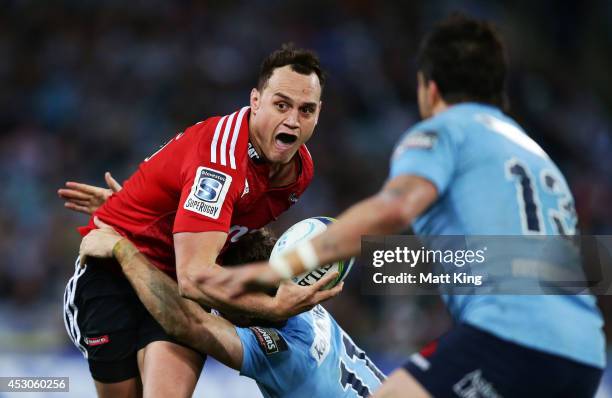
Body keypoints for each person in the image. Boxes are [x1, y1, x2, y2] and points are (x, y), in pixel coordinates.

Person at [209, 15, 606, 398]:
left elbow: (394, 209)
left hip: (511, 334)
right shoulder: (537, 157)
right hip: (585, 354)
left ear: (429, 89)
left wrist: (281, 267)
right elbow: (577, 263)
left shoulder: (443, 131)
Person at [59, 44, 342, 398]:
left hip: (178, 286)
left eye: (306, 110)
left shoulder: (299, 172)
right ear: (255, 101)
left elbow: (208, 229)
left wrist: (145, 207)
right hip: (113, 271)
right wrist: (272, 306)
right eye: (281, 105)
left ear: (319, 113)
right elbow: (196, 276)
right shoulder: (220, 161)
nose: (292, 121)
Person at [77, 217, 385, 397]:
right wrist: (144, 226)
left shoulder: (283, 353)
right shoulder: (301, 291)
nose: (215, 303)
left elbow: (189, 323)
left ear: (247, 308)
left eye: (223, 296)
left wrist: (124, 250)